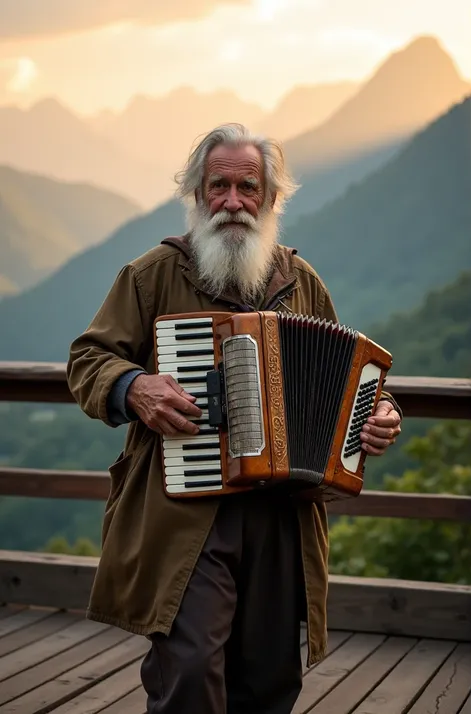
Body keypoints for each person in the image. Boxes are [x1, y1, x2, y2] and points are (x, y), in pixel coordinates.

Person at [67, 123, 402, 714]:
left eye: (247, 188)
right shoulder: (154, 275)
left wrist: (378, 416)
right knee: (191, 671)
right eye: (217, 186)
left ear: (270, 199)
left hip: (282, 516)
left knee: (270, 679)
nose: (231, 202)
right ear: (196, 193)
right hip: (187, 514)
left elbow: (351, 381)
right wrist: (134, 385)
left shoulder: (303, 283)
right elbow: (88, 358)